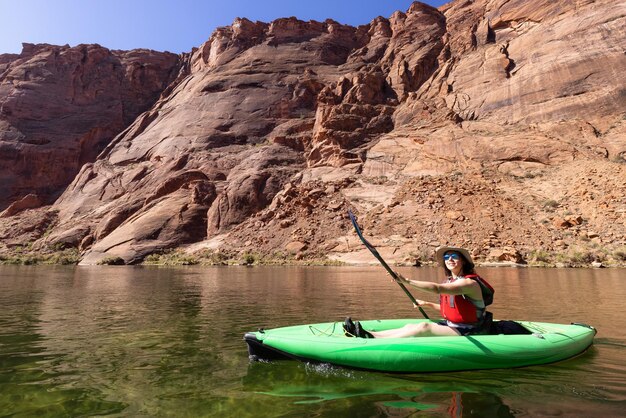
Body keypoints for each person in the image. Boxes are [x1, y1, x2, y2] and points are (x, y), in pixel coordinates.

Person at [343, 246, 494, 338]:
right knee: (409, 327)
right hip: (454, 325)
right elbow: (453, 308)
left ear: (464, 261)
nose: (450, 260)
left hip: (472, 330)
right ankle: (369, 334)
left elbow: (437, 289)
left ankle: (371, 339)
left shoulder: (469, 283)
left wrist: (407, 281)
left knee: (424, 327)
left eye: (454, 257)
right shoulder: (450, 281)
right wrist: (428, 304)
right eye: (447, 257)